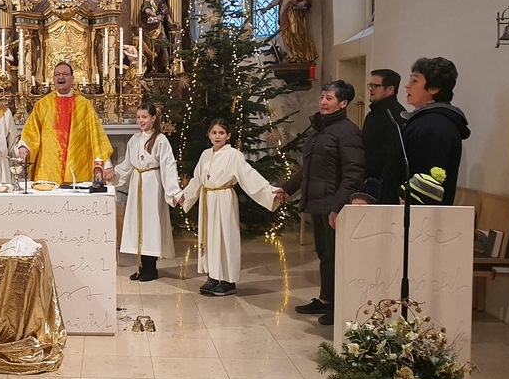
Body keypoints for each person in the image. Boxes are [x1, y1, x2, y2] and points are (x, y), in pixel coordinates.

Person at [280, 80, 365, 326]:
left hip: (333, 206)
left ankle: (341, 306)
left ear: (343, 103)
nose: (323, 102)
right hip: (318, 203)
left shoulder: (347, 132)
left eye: (329, 98)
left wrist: (338, 207)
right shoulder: (320, 129)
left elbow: (353, 173)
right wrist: (287, 188)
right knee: (325, 255)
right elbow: (308, 169)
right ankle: (326, 299)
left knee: (337, 257)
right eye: (322, 97)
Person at [182, 118, 284, 296]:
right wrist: (185, 196)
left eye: (221, 133)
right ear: (209, 135)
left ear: (228, 136)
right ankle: (213, 276)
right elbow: (197, 179)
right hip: (208, 200)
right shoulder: (205, 154)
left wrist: (270, 192)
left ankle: (228, 281)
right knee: (210, 237)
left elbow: (249, 175)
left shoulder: (233, 155)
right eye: (214, 133)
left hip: (224, 199)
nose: (217, 136)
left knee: (225, 237)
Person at [380, 57, 469, 206]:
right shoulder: (424, 122)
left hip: (415, 217)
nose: (407, 85)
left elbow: (427, 186)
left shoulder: (435, 127)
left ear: (434, 88)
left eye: (415, 80)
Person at [113, 104, 182, 281]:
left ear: (153, 118)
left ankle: (151, 268)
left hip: (153, 185)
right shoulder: (135, 139)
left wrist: (174, 191)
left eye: (144, 117)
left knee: (150, 224)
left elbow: (168, 165)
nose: (140, 121)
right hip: (137, 183)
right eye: (138, 117)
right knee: (138, 224)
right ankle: (141, 266)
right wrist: (112, 175)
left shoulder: (160, 140)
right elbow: (126, 166)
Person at [18, 62, 114, 184]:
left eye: (65, 74)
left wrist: (106, 164)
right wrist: (24, 146)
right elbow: (31, 130)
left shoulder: (84, 105)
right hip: (49, 165)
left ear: (72, 78)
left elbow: (96, 135)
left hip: (77, 163)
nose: (61, 77)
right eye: (57, 74)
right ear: (53, 78)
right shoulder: (43, 105)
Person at [361, 69, 406, 188]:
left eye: (375, 86)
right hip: (369, 176)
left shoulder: (395, 115)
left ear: (390, 90)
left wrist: (365, 168)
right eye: (370, 85)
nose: (371, 89)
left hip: (384, 181)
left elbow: (389, 151)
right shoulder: (373, 113)